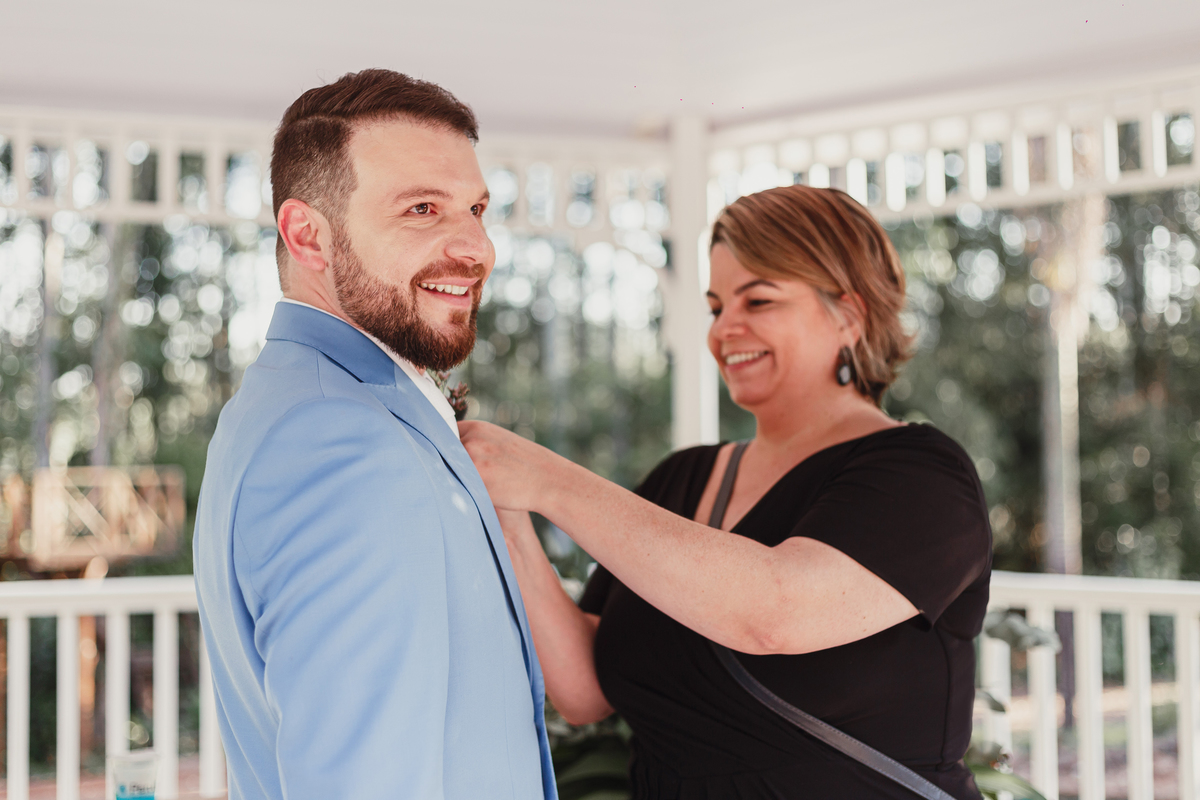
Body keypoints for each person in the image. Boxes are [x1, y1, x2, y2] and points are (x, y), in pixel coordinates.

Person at [461, 186, 992, 799]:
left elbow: (774, 613)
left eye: (758, 300)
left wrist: (550, 479)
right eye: (716, 307)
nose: (724, 330)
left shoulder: (921, 476)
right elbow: (583, 692)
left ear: (848, 314)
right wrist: (510, 509)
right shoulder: (682, 479)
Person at [193, 70, 555, 800]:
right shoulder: (339, 443)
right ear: (308, 236)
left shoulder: (293, 403)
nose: (476, 247)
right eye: (423, 208)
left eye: (476, 208)